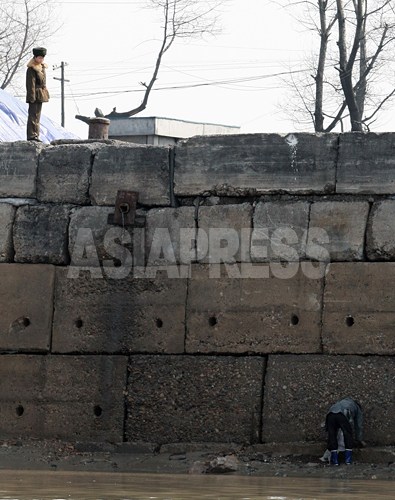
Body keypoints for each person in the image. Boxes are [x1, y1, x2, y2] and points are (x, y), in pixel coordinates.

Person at [325, 396, 365, 466]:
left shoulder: (340, 402)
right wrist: (359, 439)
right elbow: (358, 425)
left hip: (330, 414)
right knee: (347, 434)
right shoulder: (357, 407)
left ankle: (335, 461)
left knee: (332, 435)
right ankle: (348, 460)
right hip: (342, 414)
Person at [26, 47, 50, 142]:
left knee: (37, 116)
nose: (41, 59)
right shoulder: (32, 68)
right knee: (33, 116)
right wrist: (32, 97)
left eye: (42, 58)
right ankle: (32, 135)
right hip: (34, 94)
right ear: (35, 57)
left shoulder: (42, 67)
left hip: (40, 95)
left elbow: (44, 82)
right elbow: (30, 84)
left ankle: (36, 135)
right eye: (39, 57)